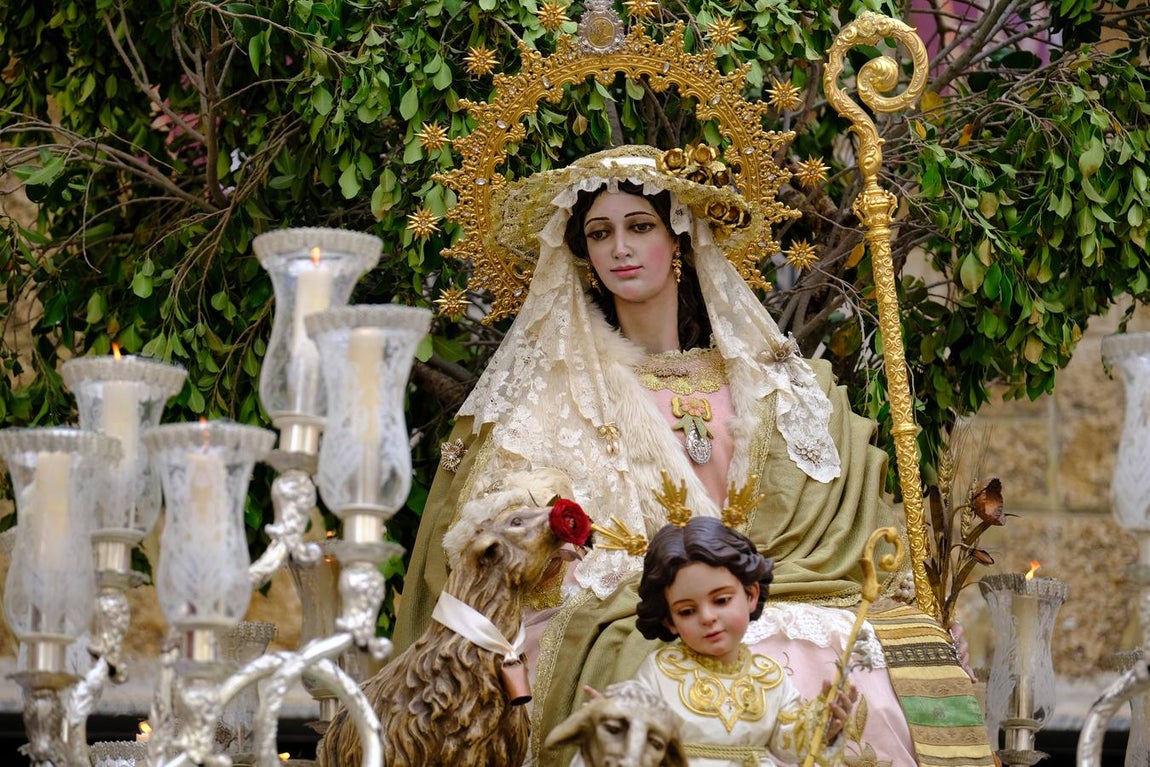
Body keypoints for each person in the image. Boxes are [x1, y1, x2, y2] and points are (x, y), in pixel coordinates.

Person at [393, 144, 992, 767]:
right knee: (666, 657)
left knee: (857, 649)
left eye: (639, 226)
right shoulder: (560, 395)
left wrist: (909, 597)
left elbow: (842, 525)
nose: (620, 248)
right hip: (639, 606)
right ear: (584, 254)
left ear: (678, 238)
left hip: (777, 591)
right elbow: (509, 524)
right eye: (600, 234)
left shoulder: (770, 385)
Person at [632, 517, 855, 766]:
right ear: (669, 620)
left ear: (750, 594)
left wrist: (822, 725)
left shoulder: (769, 676)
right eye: (687, 611)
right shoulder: (659, 672)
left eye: (721, 600)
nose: (707, 618)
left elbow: (789, 748)